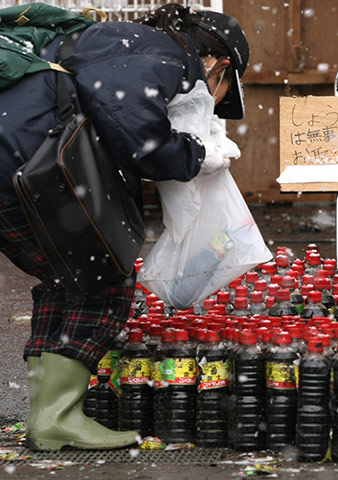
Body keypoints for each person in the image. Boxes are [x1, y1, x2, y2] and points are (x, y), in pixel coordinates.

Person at [0, 3, 249, 450]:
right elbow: (136, 132)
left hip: (14, 151)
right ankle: (55, 419)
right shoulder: (165, 55)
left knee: (68, 276)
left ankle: (50, 417)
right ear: (218, 65)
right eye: (222, 90)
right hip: (16, 158)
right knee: (102, 273)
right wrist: (194, 155)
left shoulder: (117, 40)